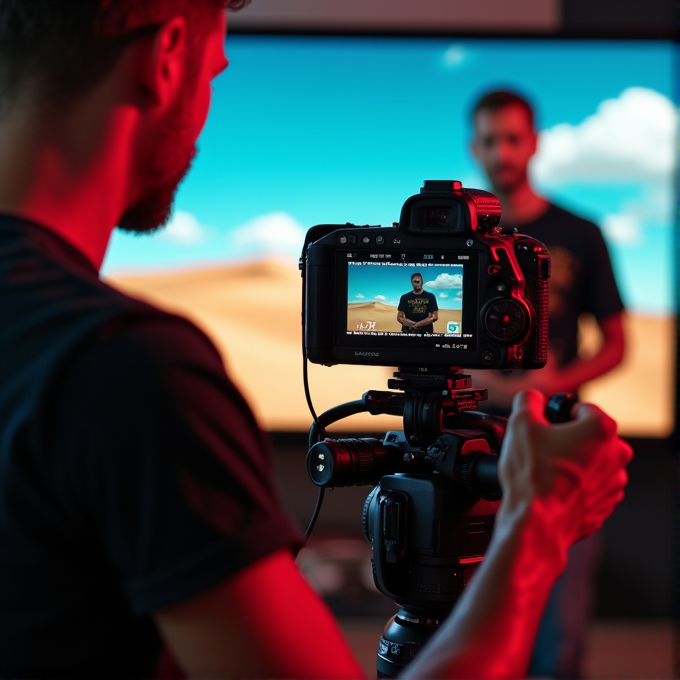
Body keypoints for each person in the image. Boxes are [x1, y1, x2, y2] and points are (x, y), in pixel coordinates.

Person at [0, 3, 631, 678]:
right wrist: (540, 521)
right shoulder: (128, 367)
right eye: (214, 73)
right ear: (168, 56)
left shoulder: (70, 347)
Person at [470, 89, 627, 679]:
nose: (503, 153)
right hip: (469, 446)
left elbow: (615, 345)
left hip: (555, 448)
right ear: (475, 147)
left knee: (557, 642)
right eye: (491, 140)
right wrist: (483, 381)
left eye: (513, 138)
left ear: (533, 142)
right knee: (467, 628)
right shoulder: (456, 241)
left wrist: (556, 381)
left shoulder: (580, 232)